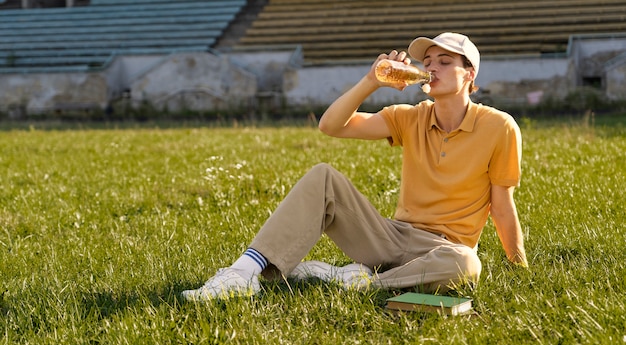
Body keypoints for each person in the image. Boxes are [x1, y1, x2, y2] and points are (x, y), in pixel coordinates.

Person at [182, 32, 528, 301]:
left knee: (467, 264)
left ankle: (355, 282)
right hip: (391, 238)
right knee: (323, 177)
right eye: (428, 60)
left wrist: (519, 268)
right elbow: (331, 126)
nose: (431, 67)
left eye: (445, 61)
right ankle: (241, 274)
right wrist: (371, 82)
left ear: (469, 74)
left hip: (443, 250)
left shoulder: (499, 127)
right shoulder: (408, 117)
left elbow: (501, 206)